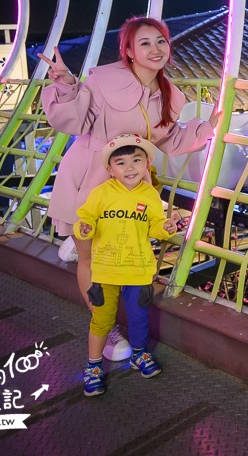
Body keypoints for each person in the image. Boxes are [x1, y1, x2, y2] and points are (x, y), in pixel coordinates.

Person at [38, 16, 221, 361]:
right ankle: (104, 329)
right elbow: (74, 121)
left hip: (133, 187)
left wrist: (206, 128)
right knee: (92, 258)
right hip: (92, 178)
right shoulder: (104, 81)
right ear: (129, 51)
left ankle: (74, 240)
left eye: (161, 42)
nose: (156, 49)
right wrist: (65, 85)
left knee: (120, 252)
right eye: (145, 43)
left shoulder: (167, 94)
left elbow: (170, 139)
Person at [76, 133, 175, 396]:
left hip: (138, 271)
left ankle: (139, 355)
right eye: (121, 163)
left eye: (136, 160)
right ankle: (94, 366)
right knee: (101, 320)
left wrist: (164, 227)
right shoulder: (100, 193)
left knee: (139, 318)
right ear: (110, 169)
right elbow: (85, 220)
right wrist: (84, 227)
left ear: (147, 164)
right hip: (104, 270)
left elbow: (155, 226)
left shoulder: (150, 195)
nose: (130, 167)